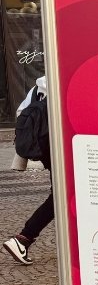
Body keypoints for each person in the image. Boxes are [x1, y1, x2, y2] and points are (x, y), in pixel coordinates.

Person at [4, 77, 53, 265]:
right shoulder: (61, 82)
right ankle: (23, 238)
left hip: (47, 151)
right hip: (61, 149)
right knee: (60, 197)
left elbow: (21, 113)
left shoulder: (37, 87)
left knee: (64, 196)